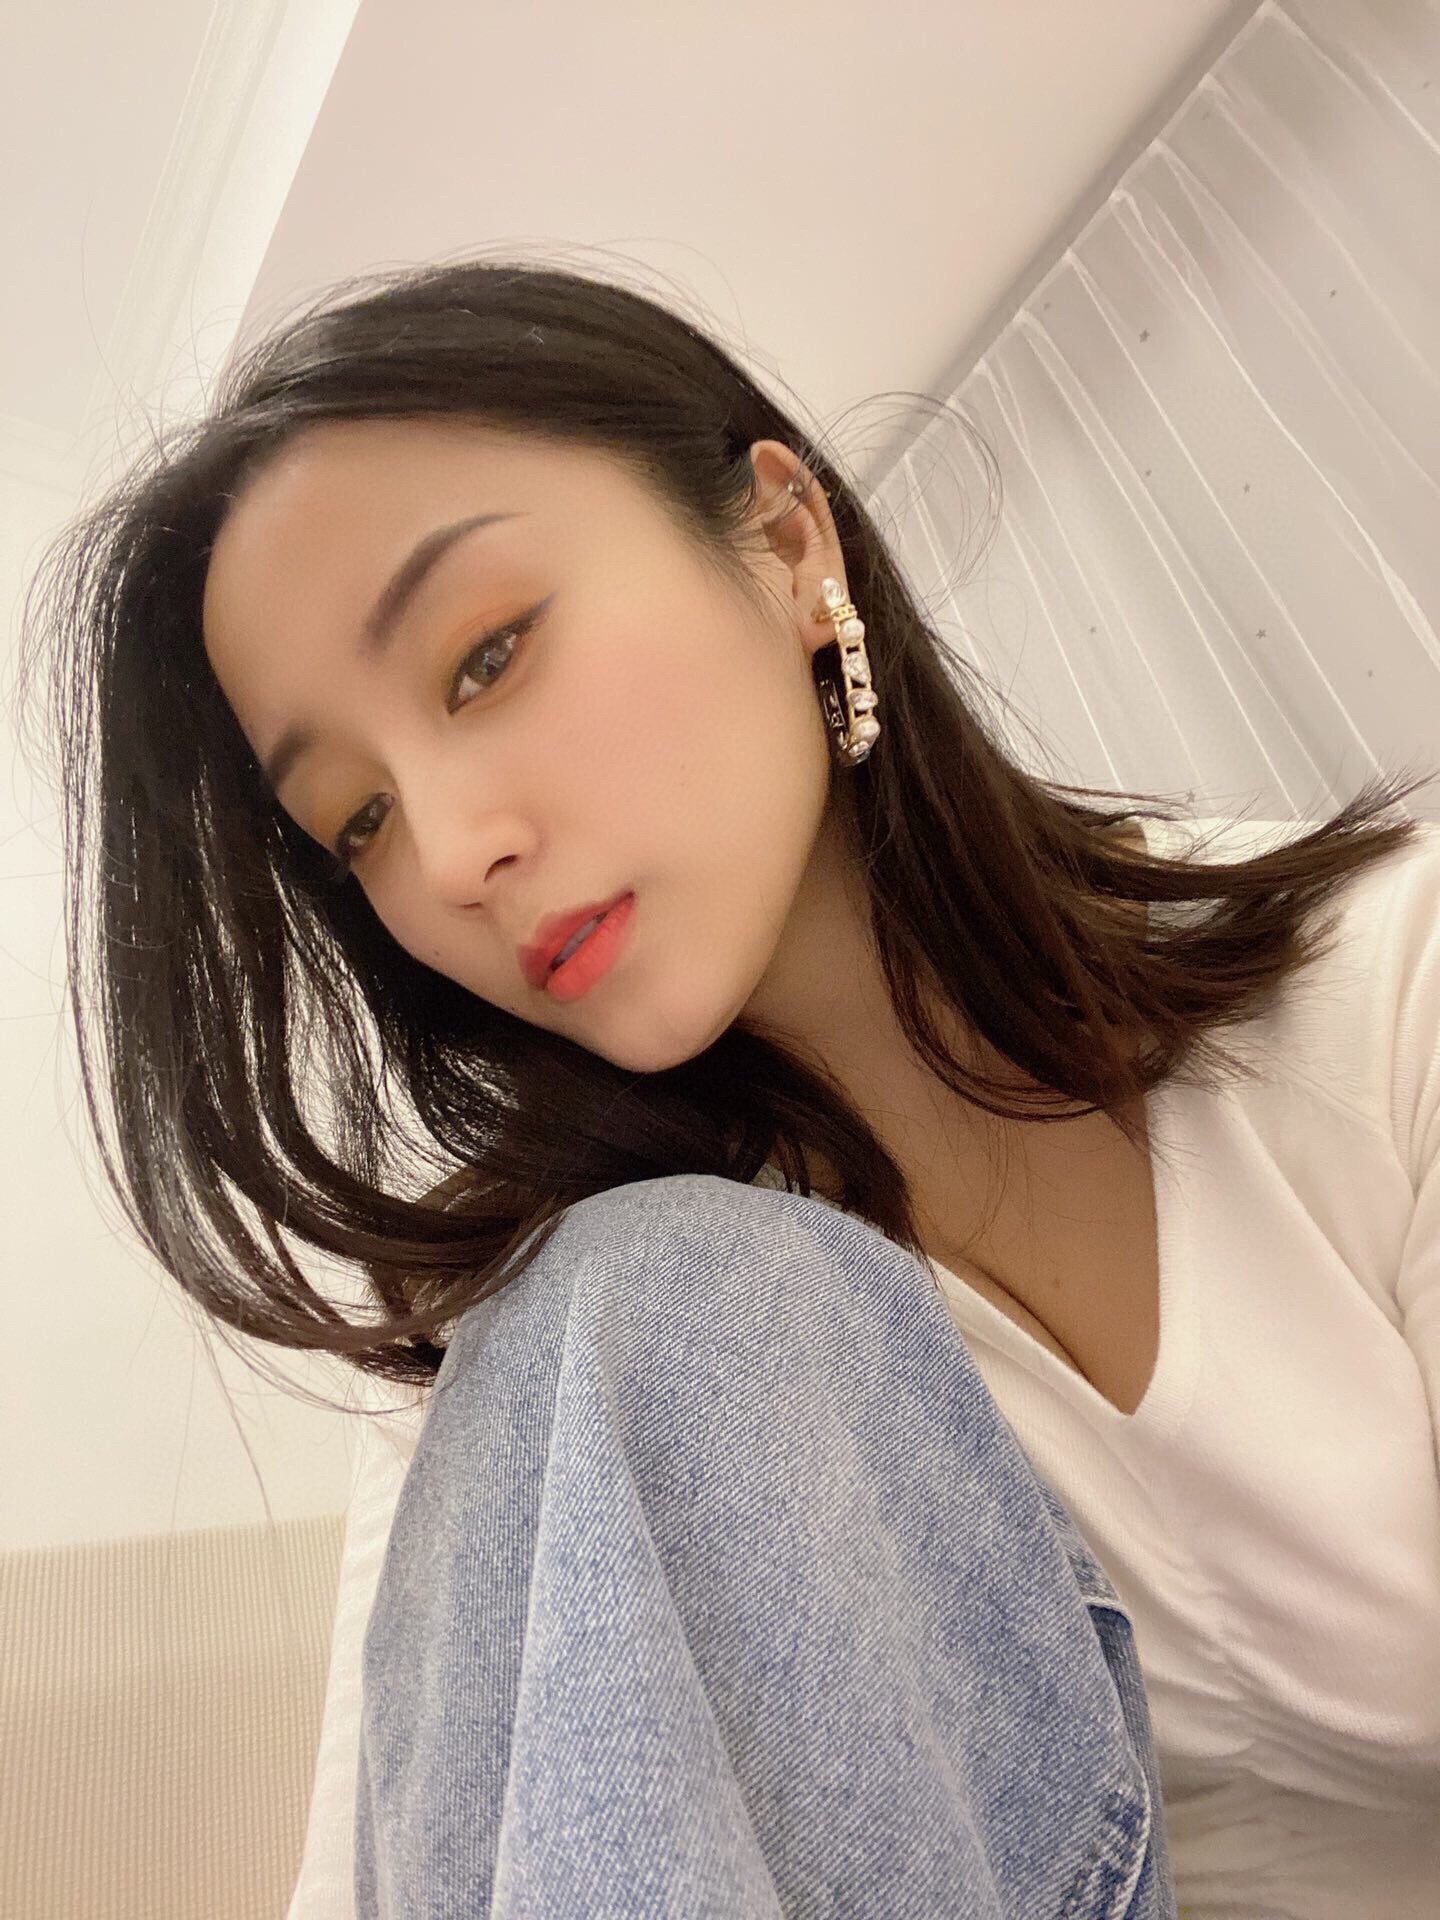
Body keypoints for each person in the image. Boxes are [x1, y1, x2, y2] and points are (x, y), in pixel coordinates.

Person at [15, 257, 1437, 1918]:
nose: (454, 854)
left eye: (485, 659)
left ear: (786, 541)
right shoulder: (555, 1333)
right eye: (360, 820)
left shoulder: (1388, 988)